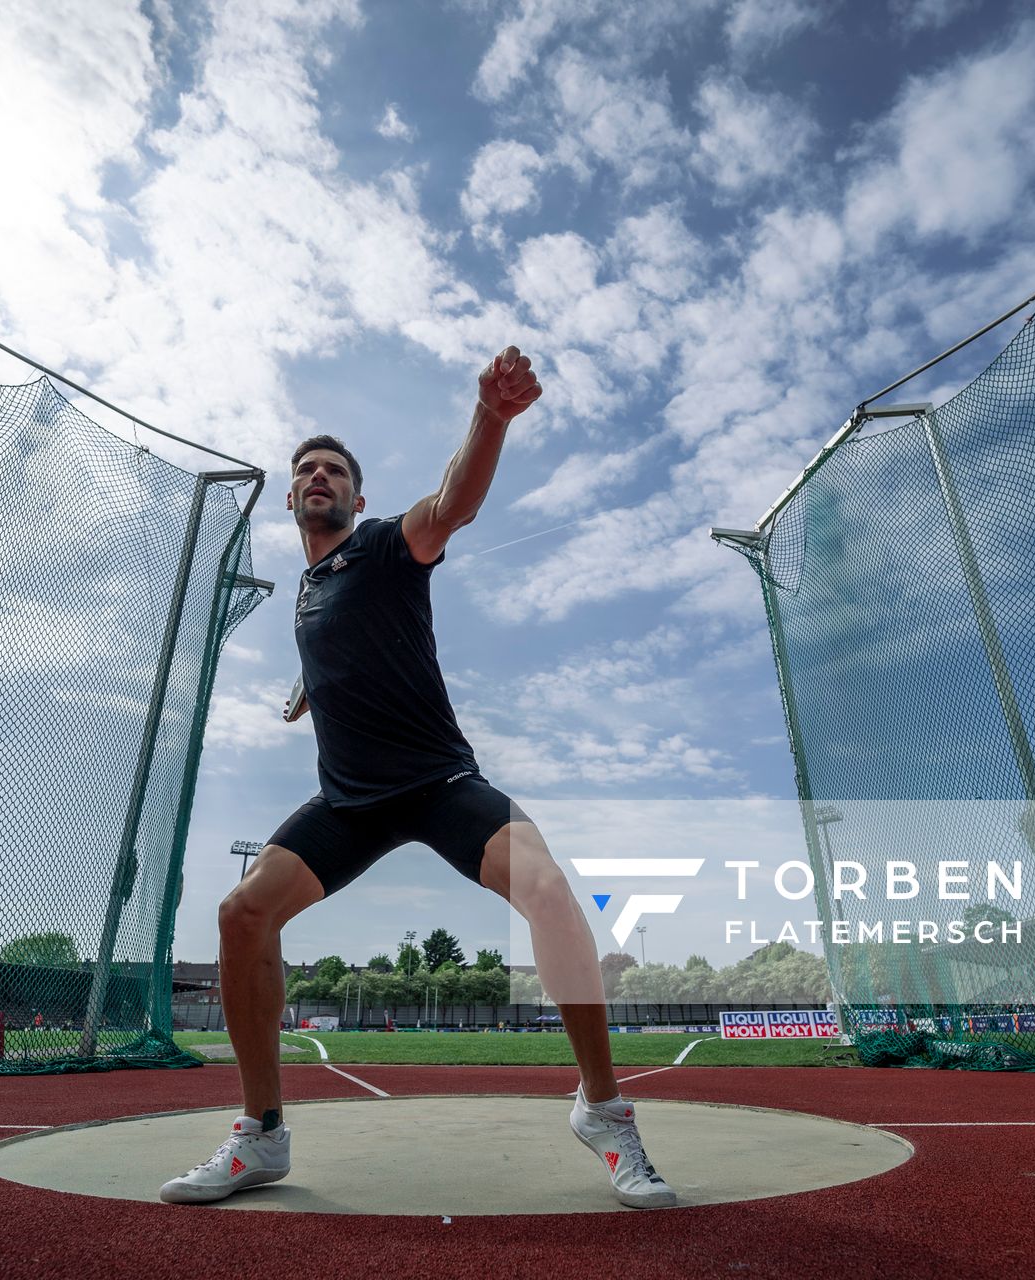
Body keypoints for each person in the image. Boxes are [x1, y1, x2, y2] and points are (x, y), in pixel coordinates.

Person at [160, 347, 674, 1210]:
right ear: (290, 498)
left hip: (439, 783)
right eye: (305, 470)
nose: (317, 476)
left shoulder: (385, 546)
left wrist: (491, 418)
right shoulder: (308, 590)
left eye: (333, 470)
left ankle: (604, 1111)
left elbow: (453, 504)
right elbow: (345, 649)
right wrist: (305, 691)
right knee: (241, 913)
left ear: (357, 498)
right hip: (350, 801)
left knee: (549, 889)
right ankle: (261, 1135)